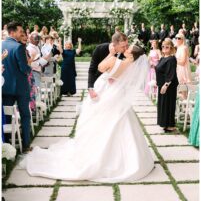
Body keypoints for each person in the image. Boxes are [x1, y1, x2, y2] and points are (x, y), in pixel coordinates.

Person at [21, 44, 154, 182]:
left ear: (131, 55)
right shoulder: (131, 65)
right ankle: (129, 159)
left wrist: (111, 56)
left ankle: (98, 157)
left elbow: (101, 68)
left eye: (128, 49)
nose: (126, 48)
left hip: (107, 93)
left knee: (101, 122)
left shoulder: (118, 61)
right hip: (117, 95)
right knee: (121, 123)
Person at [2, 21, 32, 152]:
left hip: (4, 87)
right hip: (20, 88)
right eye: (20, 32)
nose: (22, 34)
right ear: (12, 32)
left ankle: (7, 143)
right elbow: (24, 69)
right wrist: (29, 66)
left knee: (6, 115)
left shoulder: (1, 45)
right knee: (25, 115)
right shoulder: (19, 47)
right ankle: (25, 144)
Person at [88, 32, 128, 99]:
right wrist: (91, 88)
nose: (126, 48)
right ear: (114, 45)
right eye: (123, 46)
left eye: (127, 45)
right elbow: (92, 70)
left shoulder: (126, 54)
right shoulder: (99, 49)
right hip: (100, 87)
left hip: (117, 90)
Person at [155, 38, 179, 133]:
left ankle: (170, 125)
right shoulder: (162, 58)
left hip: (168, 86)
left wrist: (166, 85)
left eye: (167, 46)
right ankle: (164, 124)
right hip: (162, 85)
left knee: (168, 104)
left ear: (171, 48)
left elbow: (171, 73)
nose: (165, 48)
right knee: (163, 105)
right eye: (163, 46)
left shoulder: (172, 58)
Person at [175, 33, 192, 99]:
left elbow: (183, 62)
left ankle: (185, 105)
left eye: (179, 38)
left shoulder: (184, 48)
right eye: (176, 38)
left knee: (183, 90)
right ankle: (182, 105)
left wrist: (174, 60)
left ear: (182, 39)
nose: (177, 39)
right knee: (180, 90)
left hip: (183, 70)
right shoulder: (178, 48)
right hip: (179, 69)